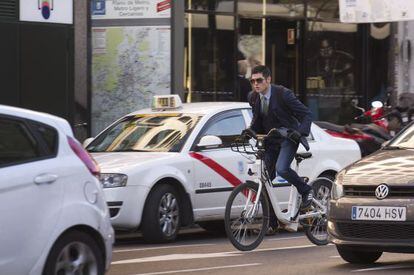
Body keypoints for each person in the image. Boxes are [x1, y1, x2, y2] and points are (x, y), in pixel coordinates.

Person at [246, 65, 314, 209]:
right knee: (265, 180)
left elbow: (307, 114)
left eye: (259, 80)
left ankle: (306, 190)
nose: (256, 84)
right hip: (270, 140)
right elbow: (258, 119)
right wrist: (249, 131)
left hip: (288, 138)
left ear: (268, 79)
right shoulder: (252, 97)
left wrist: (300, 132)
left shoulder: (284, 94)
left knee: (282, 169)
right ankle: (272, 223)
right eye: (253, 81)